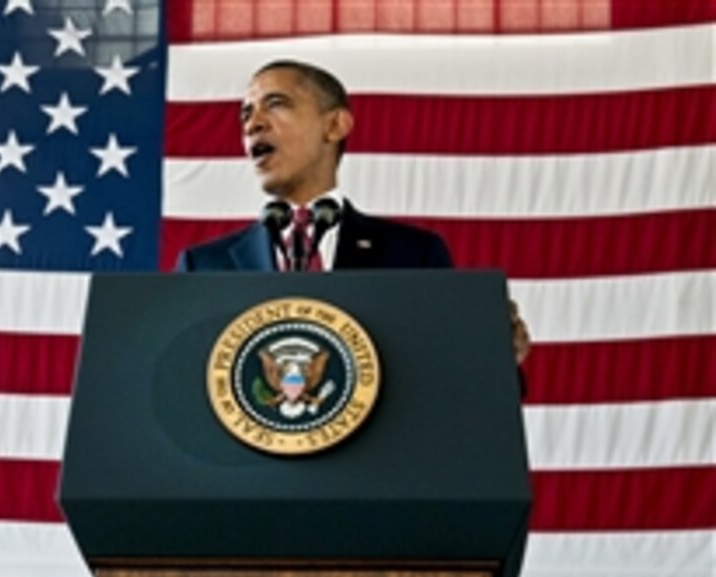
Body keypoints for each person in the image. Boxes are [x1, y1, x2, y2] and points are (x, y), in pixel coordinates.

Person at [176, 59, 530, 365]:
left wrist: (495, 358)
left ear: (335, 125)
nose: (253, 123)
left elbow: (451, 381)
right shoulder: (204, 266)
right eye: (246, 113)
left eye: (276, 104)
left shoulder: (414, 253)